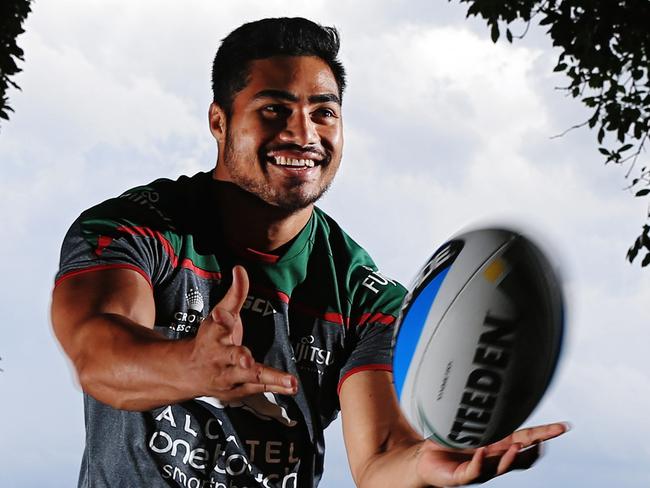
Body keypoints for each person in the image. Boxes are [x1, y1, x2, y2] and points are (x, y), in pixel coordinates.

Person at [51, 17, 567, 488]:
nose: (303, 133)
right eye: (274, 109)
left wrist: (425, 465)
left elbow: (382, 454)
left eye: (324, 112)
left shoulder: (363, 294)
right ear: (219, 120)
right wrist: (190, 366)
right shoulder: (136, 229)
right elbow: (97, 356)